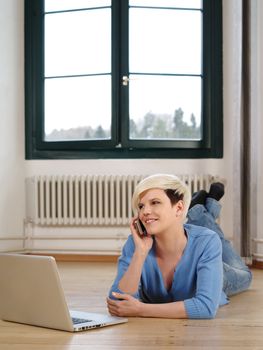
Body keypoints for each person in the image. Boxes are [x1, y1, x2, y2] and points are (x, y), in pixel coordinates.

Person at [107, 174, 252, 319]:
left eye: (155, 202)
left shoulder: (206, 241)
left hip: (213, 271)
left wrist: (140, 309)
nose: (145, 211)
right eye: (141, 206)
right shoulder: (136, 244)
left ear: (179, 207)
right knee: (198, 231)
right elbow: (118, 302)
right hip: (183, 232)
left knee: (245, 274)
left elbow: (206, 307)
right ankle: (199, 209)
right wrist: (140, 253)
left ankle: (199, 209)